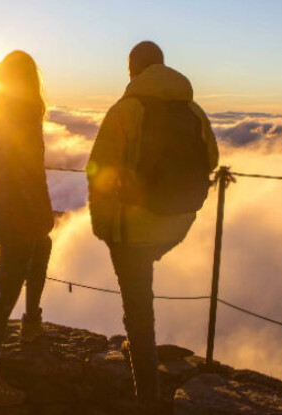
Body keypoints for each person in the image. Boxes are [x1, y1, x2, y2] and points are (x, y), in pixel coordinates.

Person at [86, 41, 219, 408]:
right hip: (177, 224)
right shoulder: (192, 109)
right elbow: (211, 159)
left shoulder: (126, 109)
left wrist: (103, 224)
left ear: (132, 70)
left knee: (139, 309)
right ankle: (139, 344)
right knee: (143, 280)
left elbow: (98, 170)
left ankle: (147, 399)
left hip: (133, 230)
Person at [0, 50, 54, 406]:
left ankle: (31, 322)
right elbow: (27, 172)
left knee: (43, 245)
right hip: (13, 209)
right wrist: (41, 214)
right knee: (6, 292)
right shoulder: (19, 114)